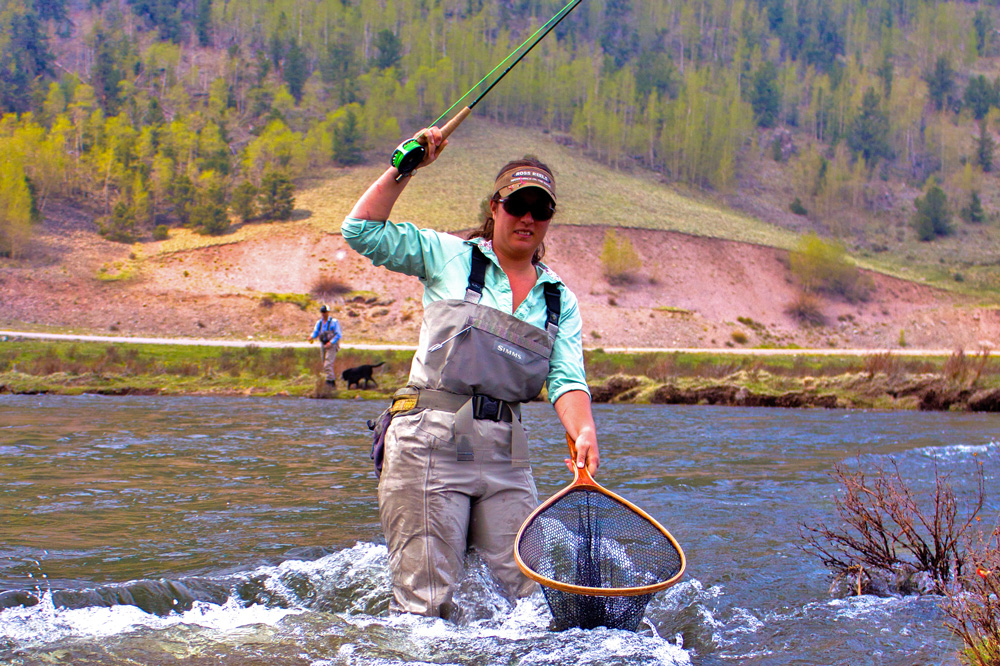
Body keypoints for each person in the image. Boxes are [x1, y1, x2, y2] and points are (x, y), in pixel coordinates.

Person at [342, 126, 600, 619]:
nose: (527, 217)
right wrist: (406, 167)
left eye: (540, 209)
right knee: (427, 605)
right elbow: (361, 231)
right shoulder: (449, 256)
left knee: (535, 602)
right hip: (431, 436)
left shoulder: (559, 298)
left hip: (506, 445)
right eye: (516, 205)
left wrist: (583, 429)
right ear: (494, 209)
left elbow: (566, 380)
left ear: (549, 220)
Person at [309, 304, 342, 385]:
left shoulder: (334, 322)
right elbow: (316, 332)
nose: (324, 314)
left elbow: (339, 334)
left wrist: (331, 343)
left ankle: (330, 382)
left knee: (328, 364)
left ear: (328, 312)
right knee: (324, 364)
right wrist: (311, 337)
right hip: (323, 344)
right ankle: (329, 381)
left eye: (325, 312)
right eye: (322, 312)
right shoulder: (319, 323)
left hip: (332, 345)